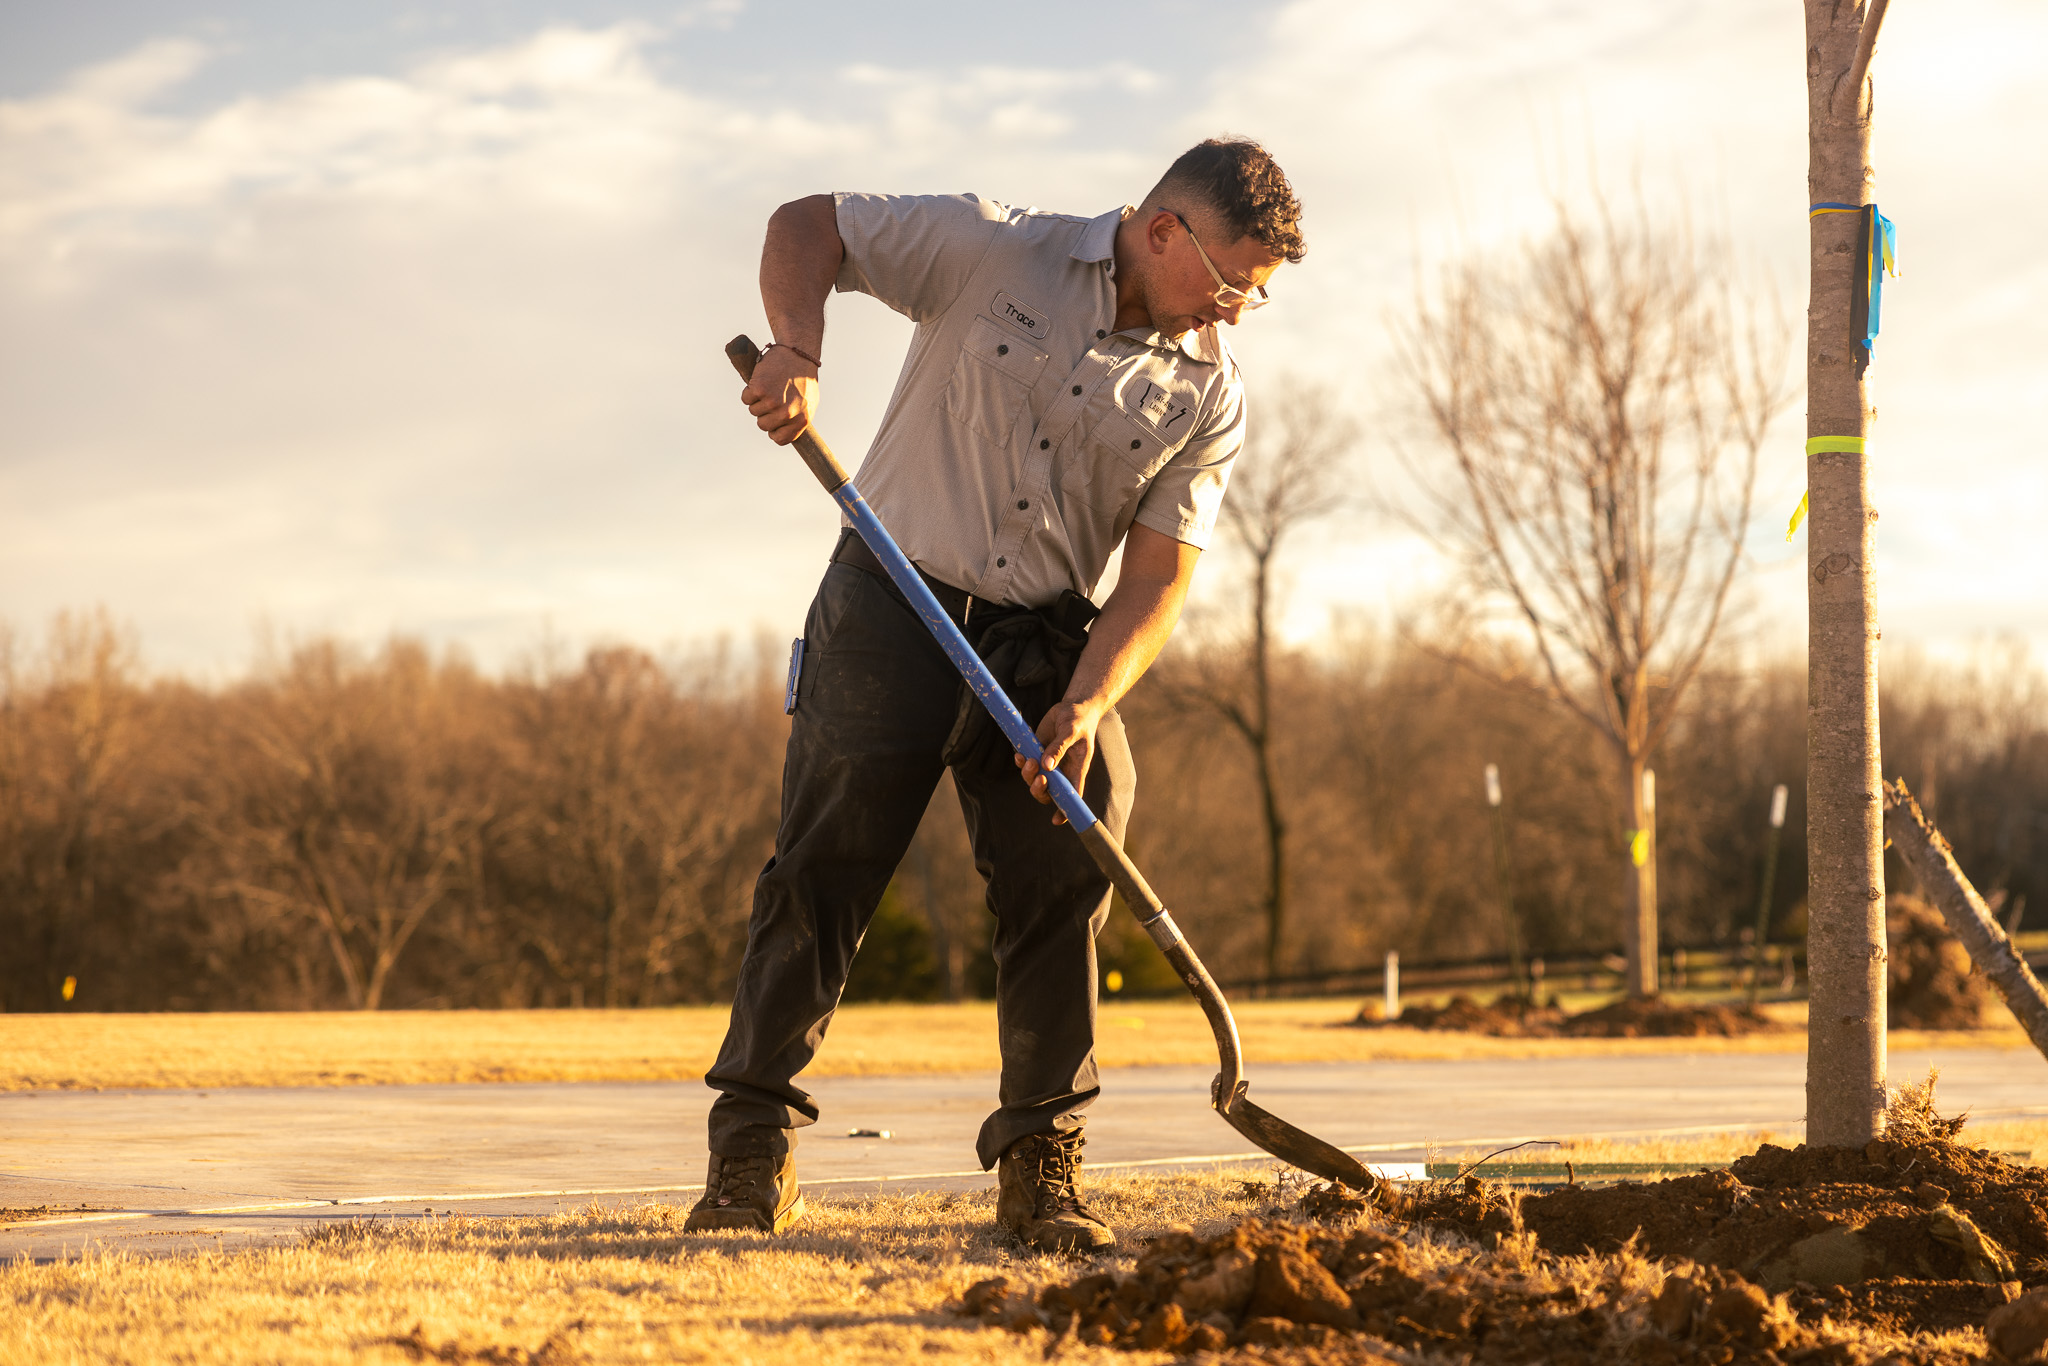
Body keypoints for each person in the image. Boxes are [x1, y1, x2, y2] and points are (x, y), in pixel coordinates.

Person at [687, 138, 1305, 1252]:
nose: (1236, 310)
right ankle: (749, 1154)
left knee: (1067, 870)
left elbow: (1158, 579)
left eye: (1254, 295)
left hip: (1038, 642)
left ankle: (1040, 1163)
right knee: (820, 873)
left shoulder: (1207, 392)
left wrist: (1088, 699)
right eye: (1228, 282)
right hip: (889, 601)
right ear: (1164, 230)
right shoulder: (992, 246)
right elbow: (804, 223)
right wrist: (794, 347)